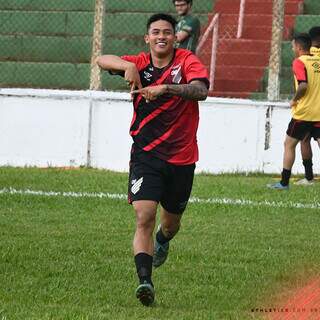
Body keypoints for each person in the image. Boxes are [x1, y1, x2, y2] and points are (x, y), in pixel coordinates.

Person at [97, 13, 209, 306]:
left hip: (182, 158)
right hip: (145, 155)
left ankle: (163, 241)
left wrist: (167, 88)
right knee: (143, 216)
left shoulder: (186, 61)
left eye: (167, 32)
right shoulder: (139, 63)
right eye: (155, 32)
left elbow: (201, 91)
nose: (161, 36)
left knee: (170, 224)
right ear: (147, 38)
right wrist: (127, 66)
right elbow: (101, 59)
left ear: (175, 38)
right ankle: (145, 281)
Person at [268, 33, 320, 190]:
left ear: (298, 47)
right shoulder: (317, 60)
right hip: (319, 112)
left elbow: (303, 85)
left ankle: (284, 183)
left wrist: (295, 99)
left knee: (289, 144)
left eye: (292, 46)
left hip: (303, 113)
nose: (292, 48)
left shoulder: (299, 62)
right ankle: (308, 177)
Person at [295, 26, 320, 185]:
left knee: (304, 140)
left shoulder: (304, 57)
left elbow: (302, 83)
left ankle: (309, 177)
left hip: (305, 108)